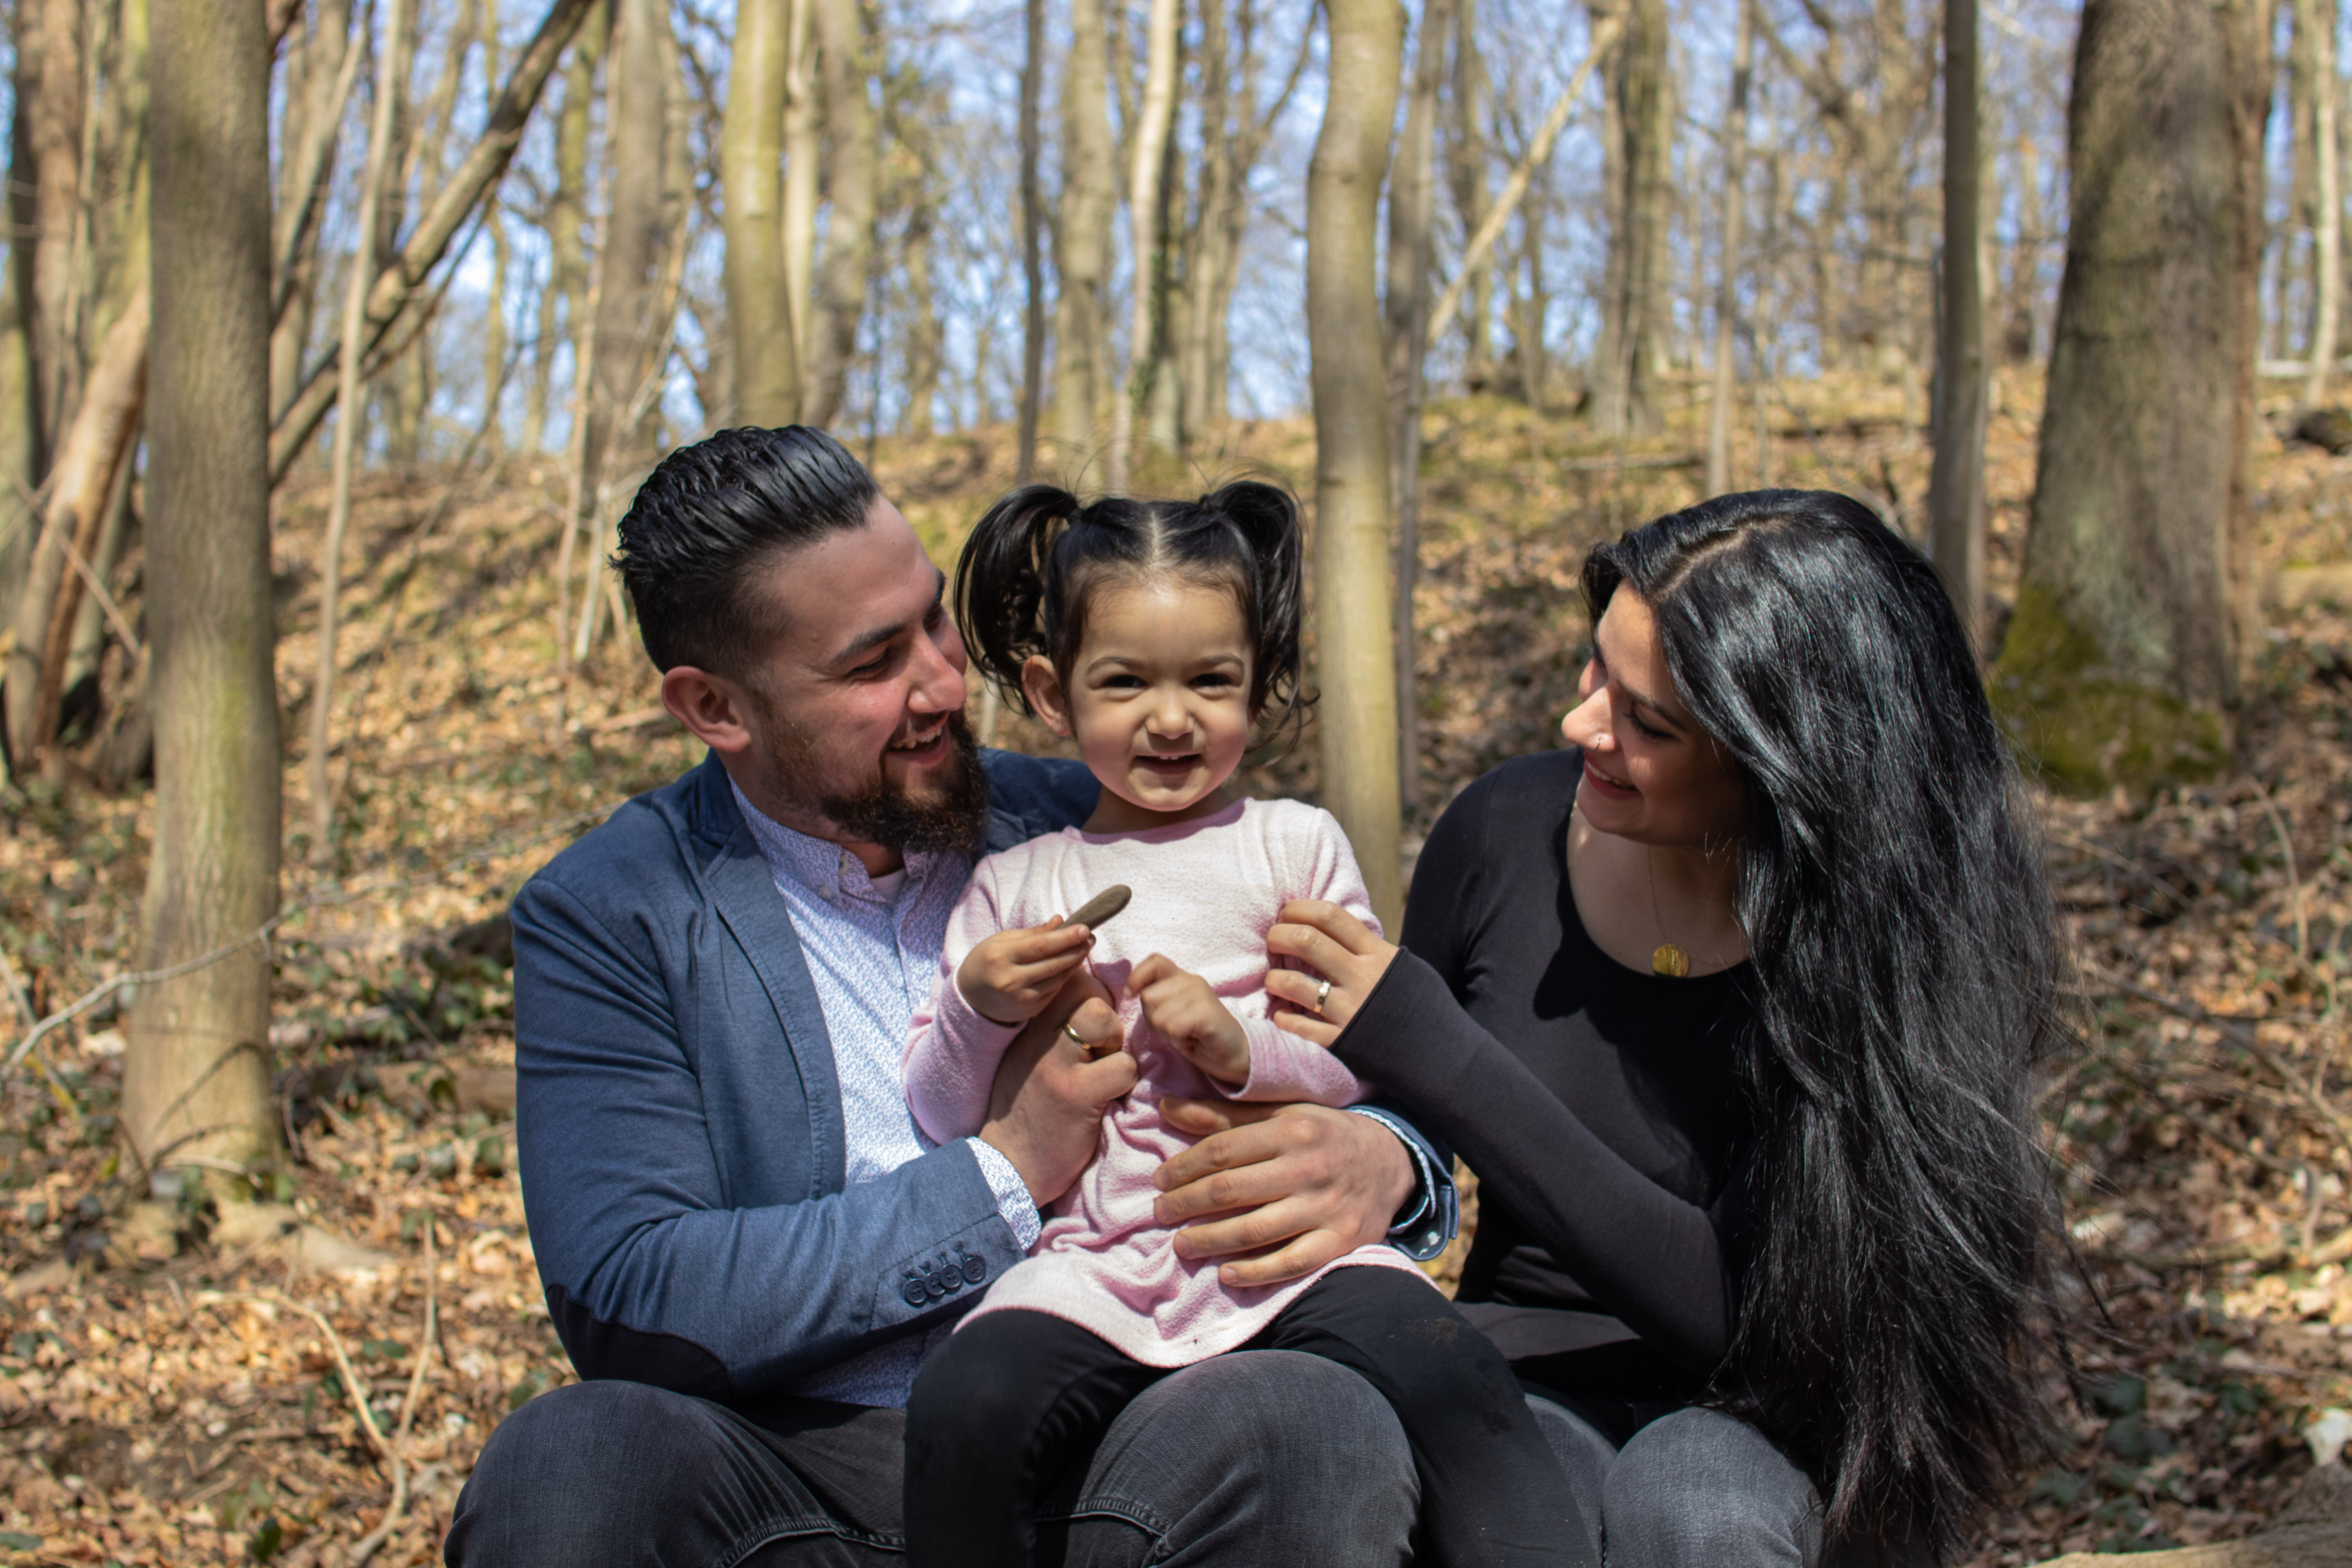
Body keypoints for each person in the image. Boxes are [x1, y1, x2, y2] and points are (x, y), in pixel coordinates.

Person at [443, 427, 1459, 1567]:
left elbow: (1354, 1030)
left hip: (1117, 1420)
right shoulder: (613, 910)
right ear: (716, 708)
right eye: (873, 664)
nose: (943, 682)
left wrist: (1385, 1158)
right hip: (787, 1463)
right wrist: (1006, 1174)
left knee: (1311, 1425)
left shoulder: (1094, 816)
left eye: (932, 619)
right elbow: (634, 1291)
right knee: (569, 1462)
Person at [1260, 490, 2062, 1566]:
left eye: (1648, 722)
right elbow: (1412, 1137)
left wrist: (1435, 1046)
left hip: (1783, 1422)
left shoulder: (1885, 949)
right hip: (1525, 1386)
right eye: (1596, 669)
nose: (1582, 725)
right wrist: (1379, 1149)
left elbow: (1741, 1323)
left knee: (1691, 1497)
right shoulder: (1501, 832)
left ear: (1784, 765)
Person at [897, 483, 1586, 1568]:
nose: (1171, 718)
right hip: (1096, 1263)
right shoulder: (1017, 885)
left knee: (1464, 1389)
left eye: (1210, 681)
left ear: (1260, 684)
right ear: (1051, 693)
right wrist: (979, 1010)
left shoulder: (1293, 847)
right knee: (961, 1405)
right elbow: (941, 1117)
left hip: (1293, 1256)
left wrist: (1240, 1048)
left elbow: (1362, 1060)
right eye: (1125, 682)